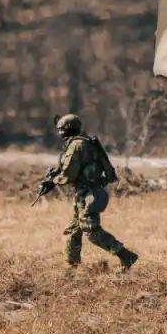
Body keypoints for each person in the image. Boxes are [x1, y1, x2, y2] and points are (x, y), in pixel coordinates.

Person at [42, 113, 137, 270]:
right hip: (83, 193)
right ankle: (71, 267)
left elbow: (69, 173)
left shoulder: (76, 145)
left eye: (60, 130)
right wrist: (53, 175)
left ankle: (126, 256)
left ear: (67, 129)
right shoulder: (79, 143)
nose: (59, 133)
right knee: (73, 230)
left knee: (91, 231)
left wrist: (52, 182)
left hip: (88, 194)